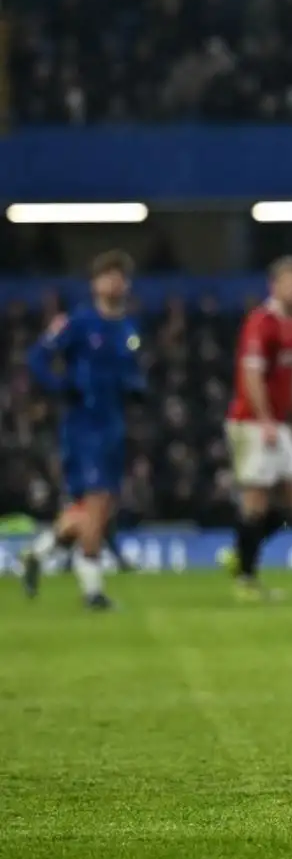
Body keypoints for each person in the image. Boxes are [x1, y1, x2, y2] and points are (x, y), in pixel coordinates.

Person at [21, 252, 145, 610]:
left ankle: (38, 553)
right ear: (94, 284)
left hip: (114, 427)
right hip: (84, 427)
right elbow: (37, 358)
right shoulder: (77, 322)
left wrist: (137, 388)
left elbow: (131, 371)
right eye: (107, 276)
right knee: (97, 502)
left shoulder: (129, 329)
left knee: (97, 509)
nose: (113, 283)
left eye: (119, 276)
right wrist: (60, 386)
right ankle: (92, 591)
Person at [221, 256, 292, 600]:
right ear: (273, 285)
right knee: (256, 500)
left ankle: (241, 551)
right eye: (289, 281)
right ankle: (246, 579)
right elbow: (251, 373)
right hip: (252, 422)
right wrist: (264, 419)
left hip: (280, 422)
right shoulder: (262, 321)